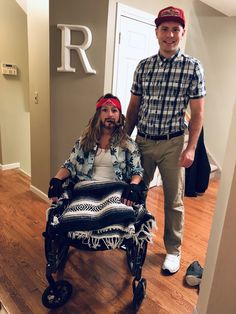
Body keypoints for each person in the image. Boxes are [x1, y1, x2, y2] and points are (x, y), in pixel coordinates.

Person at [126, 6, 206, 274]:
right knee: (136, 194)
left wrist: (191, 147)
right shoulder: (144, 66)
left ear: (183, 33)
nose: (169, 35)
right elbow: (133, 107)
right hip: (143, 142)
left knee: (174, 201)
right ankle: (136, 238)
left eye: (175, 29)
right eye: (164, 29)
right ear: (157, 32)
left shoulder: (193, 67)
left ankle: (173, 250)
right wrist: (124, 141)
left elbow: (197, 113)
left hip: (174, 143)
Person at [48, 93, 145, 206]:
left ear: (119, 115)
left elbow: (137, 170)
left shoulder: (128, 144)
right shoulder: (84, 141)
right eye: (105, 110)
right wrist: (57, 179)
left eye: (114, 110)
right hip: (86, 188)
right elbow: (70, 164)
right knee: (74, 219)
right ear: (98, 114)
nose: (110, 114)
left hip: (115, 189)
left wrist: (133, 185)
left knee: (117, 217)